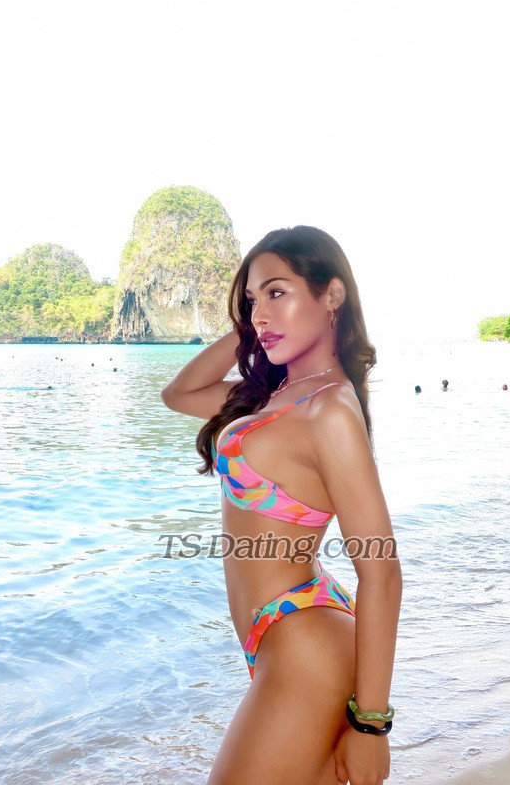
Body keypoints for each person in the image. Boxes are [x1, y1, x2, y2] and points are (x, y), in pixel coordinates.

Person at [161, 226, 402, 785]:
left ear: (332, 295)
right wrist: (251, 329)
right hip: (282, 636)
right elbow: (178, 394)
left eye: (277, 292)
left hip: (306, 643)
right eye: (251, 300)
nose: (261, 314)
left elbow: (382, 571)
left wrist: (371, 726)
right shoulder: (273, 397)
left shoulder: (329, 410)